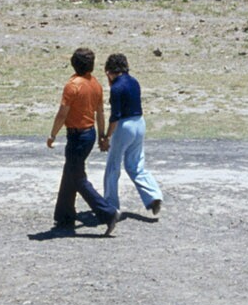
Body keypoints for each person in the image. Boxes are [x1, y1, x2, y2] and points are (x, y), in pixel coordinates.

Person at [47, 46, 118, 234]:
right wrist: (102, 135)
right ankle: (64, 216)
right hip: (89, 134)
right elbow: (100, 113)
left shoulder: (72, 86)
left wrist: (53, 134)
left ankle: (108, 213)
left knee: (77, 177)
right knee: (70, 172)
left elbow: (62, 114)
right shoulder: (96, 85)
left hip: (77, 136)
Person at [100, 51, 163, 219]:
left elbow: (115, 116)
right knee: (135, 164)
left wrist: (107, 137)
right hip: (140, 123)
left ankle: (111, 206)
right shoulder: (134, 81)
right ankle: (153, 195)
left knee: (113, 166)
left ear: (109, 71)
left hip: (125, 126)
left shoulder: (116, 87)